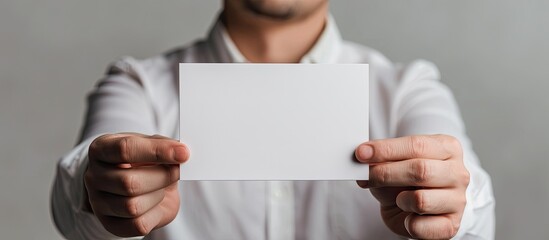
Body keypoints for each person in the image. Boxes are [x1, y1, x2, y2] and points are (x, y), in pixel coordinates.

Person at [51, 0, 495, 239]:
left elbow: (474, 209)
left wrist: (453, 206)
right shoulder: (139, 85)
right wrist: (100, 192)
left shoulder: (407, 89)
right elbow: (75, 204)